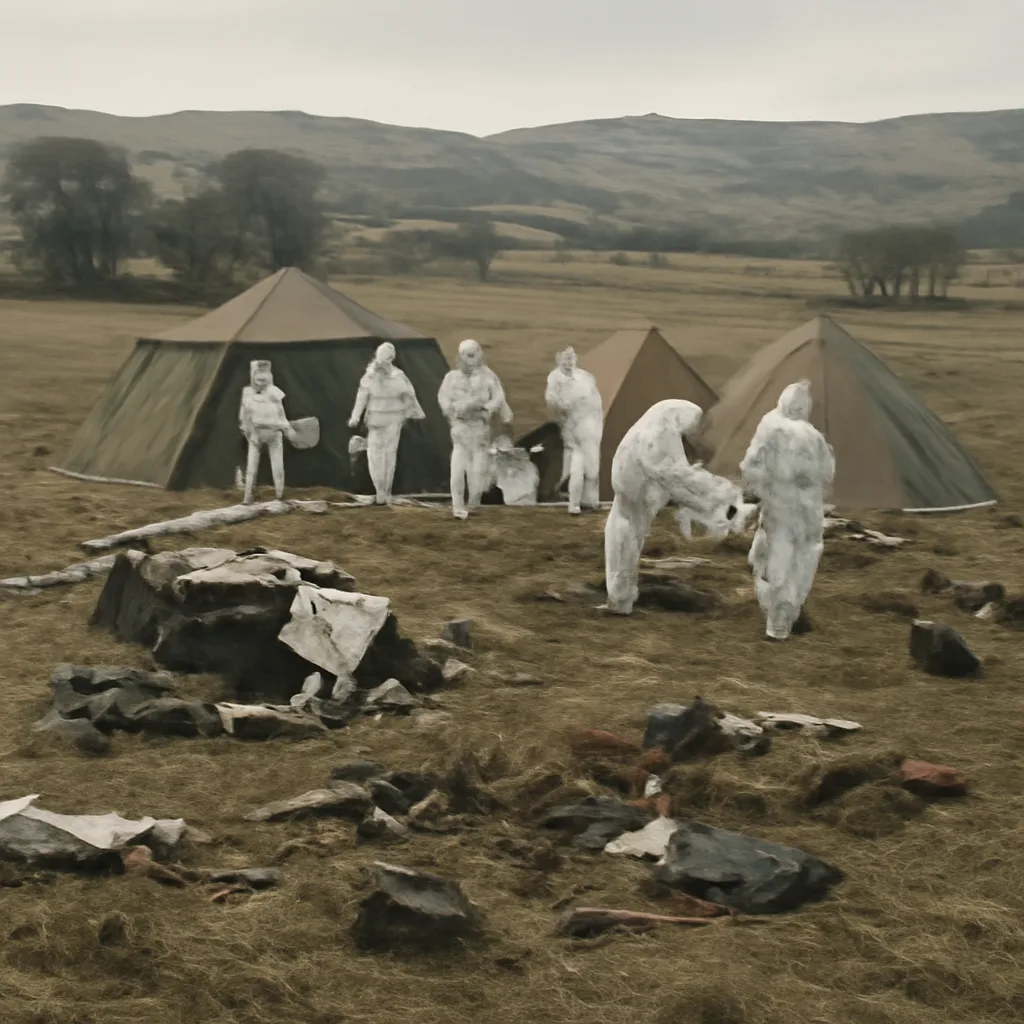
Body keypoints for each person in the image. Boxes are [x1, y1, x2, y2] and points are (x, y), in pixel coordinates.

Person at [603, 399, 754, 615]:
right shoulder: (658, 437)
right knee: (625, 542)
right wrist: (718, 491)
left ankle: (620, 598)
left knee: (625, 543)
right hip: (635, 496)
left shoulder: (649, 431)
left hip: (632, 496)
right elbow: (675, 476)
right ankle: (620, 599)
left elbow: (674, 476)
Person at [740, 380, 835, 642]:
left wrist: (759, 491)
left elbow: (751, 465)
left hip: (780, 507)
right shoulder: (814, 436)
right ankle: (785, 619)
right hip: (808, 512)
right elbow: (827, 474)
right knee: (801, 562)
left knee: (775, 562)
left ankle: (776, 623)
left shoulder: (771, 426)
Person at [437, 339, 513, 520]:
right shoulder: (452, 377)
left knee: (478, 471)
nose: (471, 359)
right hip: (461, 430)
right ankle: (458, 506)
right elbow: (443, 398)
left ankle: (473, 503)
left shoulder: (488, 376)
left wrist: (488, 409)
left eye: (474, 354)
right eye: (467, 355)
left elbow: (499, 397)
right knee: (457, 468)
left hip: (480, 431)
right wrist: (454, 411)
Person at [348, 342, 425, 504]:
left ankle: (386, 491)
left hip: (393, 420)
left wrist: (414, 411)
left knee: (389, 454)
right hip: (376, 420)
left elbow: (409, 396)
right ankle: (380, 490)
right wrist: (355, 416)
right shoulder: (370, 376)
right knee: (374, 454)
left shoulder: (399, 377)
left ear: (391, 359)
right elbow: (361, 397)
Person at [545, 347, 603, 515]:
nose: (569, 362)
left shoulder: (585, 377)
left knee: (592, 466)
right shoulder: (555, 379)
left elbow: (595, 401)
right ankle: (574, 503)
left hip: (590, 426)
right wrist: (562, 406)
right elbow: (551, 400)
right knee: (577, 465)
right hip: (573, 427)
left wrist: (597, 424)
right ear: (558, 360)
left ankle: (590, 501)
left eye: (571, 358)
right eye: (565, 359)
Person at [239, 360, 297, 504]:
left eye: (264, 379)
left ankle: (279, 495)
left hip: (274, 434)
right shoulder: (247, 393)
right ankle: (247, 496)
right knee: (251, 468)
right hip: (255, 435)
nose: (261, 382)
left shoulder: (274, 393)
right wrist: (247, 431)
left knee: (278, 467)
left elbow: (281, 413)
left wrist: (287, 427)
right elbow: (244, 416)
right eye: (258, 379)